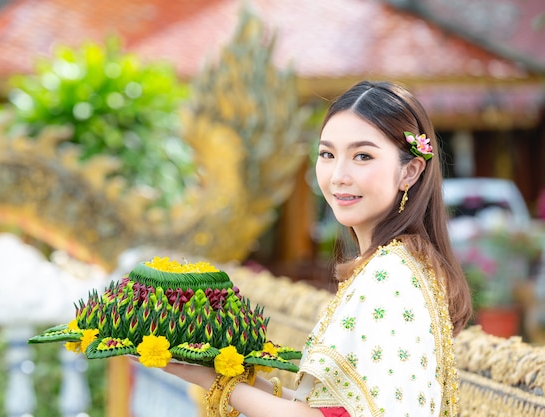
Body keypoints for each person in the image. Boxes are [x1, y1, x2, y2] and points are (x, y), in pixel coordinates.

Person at [162, 80, 473, 417]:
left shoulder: (391, 275)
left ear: (409, 172)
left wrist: (219, 384)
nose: (338, 175)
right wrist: (210, 371)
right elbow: (333, 407)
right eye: (327, 154)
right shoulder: (394, 265)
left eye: (362, 156)